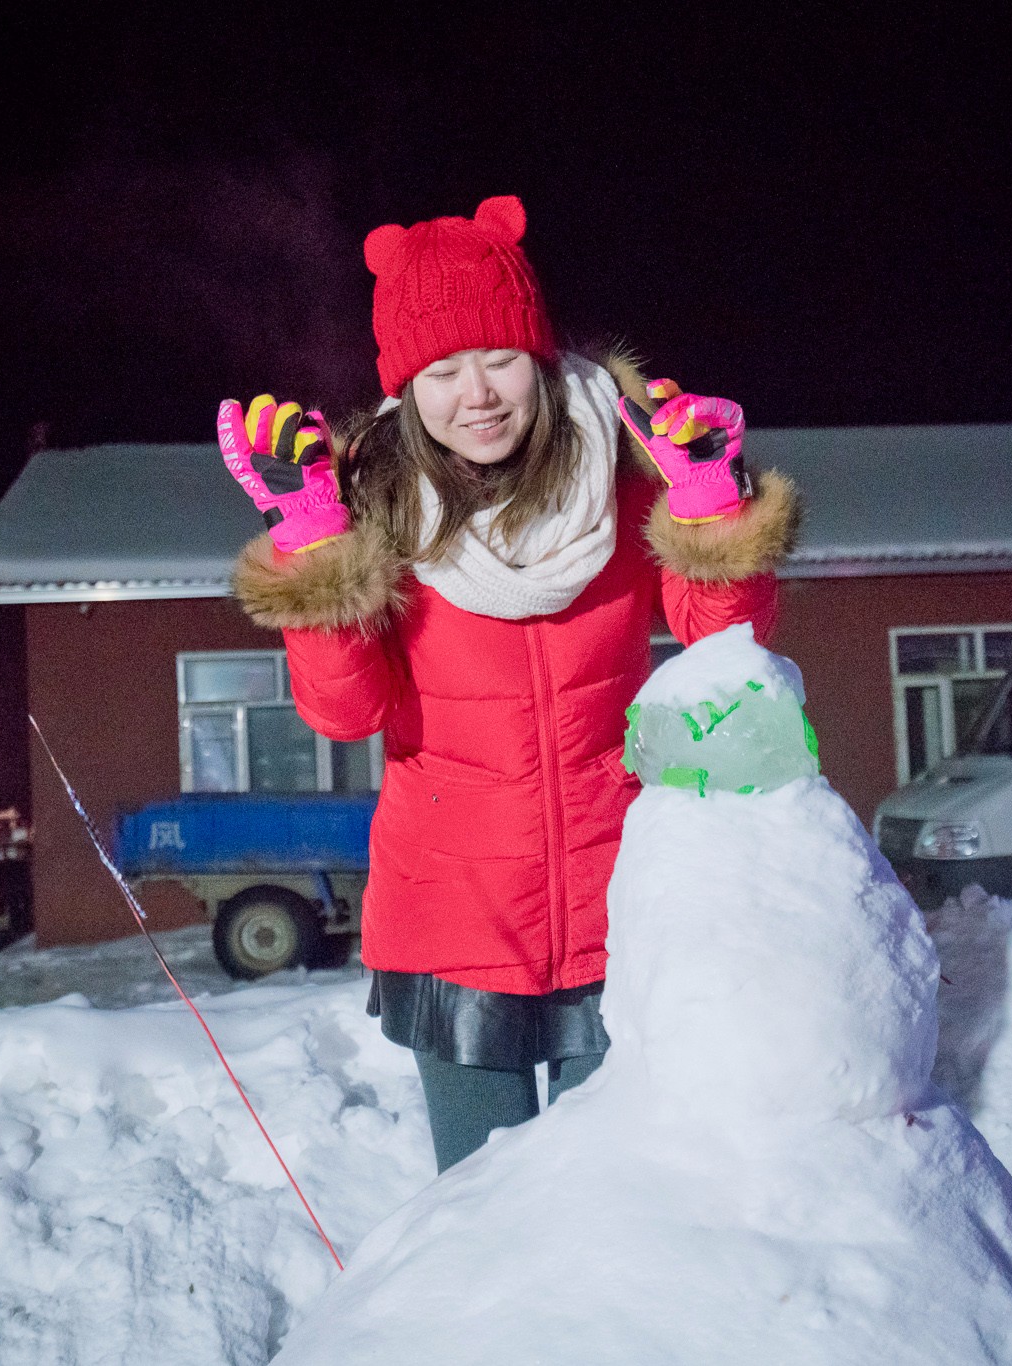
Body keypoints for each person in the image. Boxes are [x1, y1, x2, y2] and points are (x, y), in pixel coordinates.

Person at [218, 195, 798, 1171]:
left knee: (611, 1198)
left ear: (536, 354)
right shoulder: (369, 497)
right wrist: (315, 548)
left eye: (495, 358)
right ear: (407, 385)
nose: (474, 393)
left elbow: (727, 652)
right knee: (485, 1218)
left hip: (618, 903)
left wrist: (708, 507)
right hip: (450, 920)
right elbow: (345, 709)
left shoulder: (624, 464)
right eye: (441, 370)